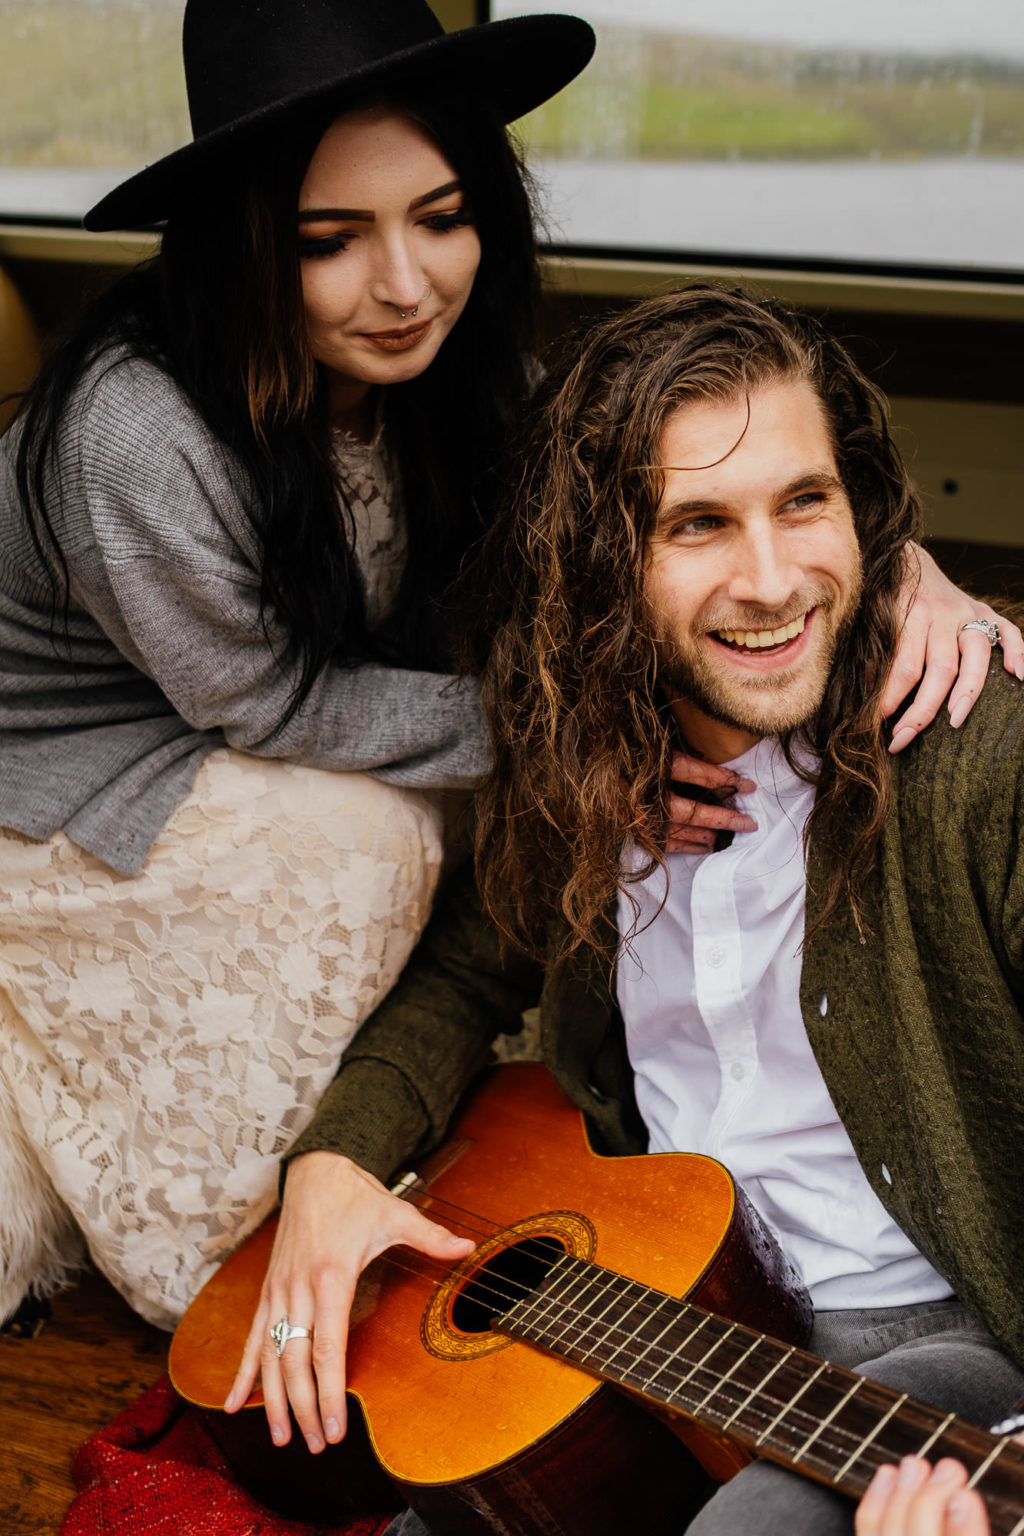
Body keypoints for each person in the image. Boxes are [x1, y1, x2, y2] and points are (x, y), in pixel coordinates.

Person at [271, 286, 1024, 1536]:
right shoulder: (588, 757)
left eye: (803, 501)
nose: (774, 582)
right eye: (697, 523)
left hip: (929, 1333)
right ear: (601, 565)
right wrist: (335, 1163)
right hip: (652, 1284)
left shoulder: (977, 757)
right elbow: (468, 969)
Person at [0, 0, 598, 1332]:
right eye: (331, 241)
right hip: (50, 784)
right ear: (240, 245)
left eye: (440, 217)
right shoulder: (134, 431)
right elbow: (262, 701)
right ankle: (240, 1217)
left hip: (218, 737)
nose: (406, 284)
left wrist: (896, 563)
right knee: (382, 829)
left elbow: (642, 464)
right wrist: (575, 735)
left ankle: (381, 1096)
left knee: (481, 765)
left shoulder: (448, 362)